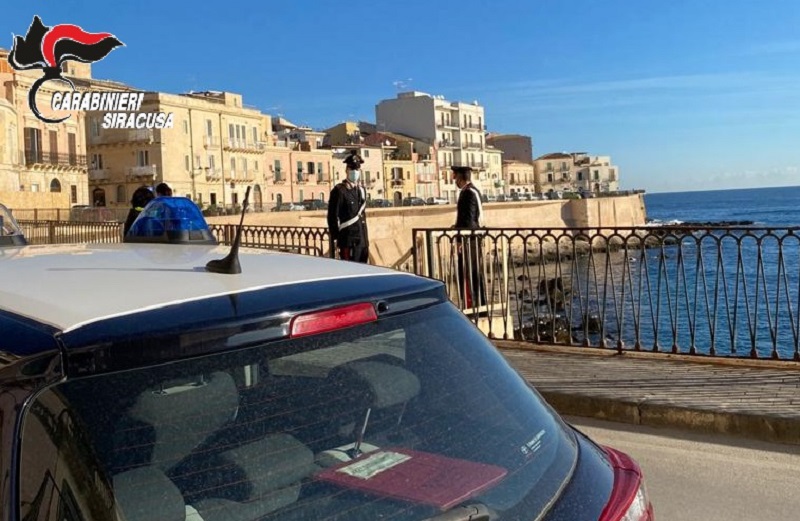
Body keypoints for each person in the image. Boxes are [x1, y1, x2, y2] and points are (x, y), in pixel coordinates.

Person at [452, 166, 486, 309]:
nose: (454, 179)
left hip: (469, 239)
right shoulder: (472, 191)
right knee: (472, 271)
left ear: (460, 177)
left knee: (468, 272)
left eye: (455, 176)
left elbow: (469, 219)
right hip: (473, 237)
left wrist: (460, 239)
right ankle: (478, 303)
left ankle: (472, 304)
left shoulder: (468, 193)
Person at [327, 167, 369, 263]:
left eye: (357, 169)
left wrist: (365, 242)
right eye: (352, 169)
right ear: (346, 171)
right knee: (351, 271)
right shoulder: (339, 190)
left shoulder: (361, 190)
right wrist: (336, 237)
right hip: (348, 241)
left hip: (362, 241)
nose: (355, 172)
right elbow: (332, 216)